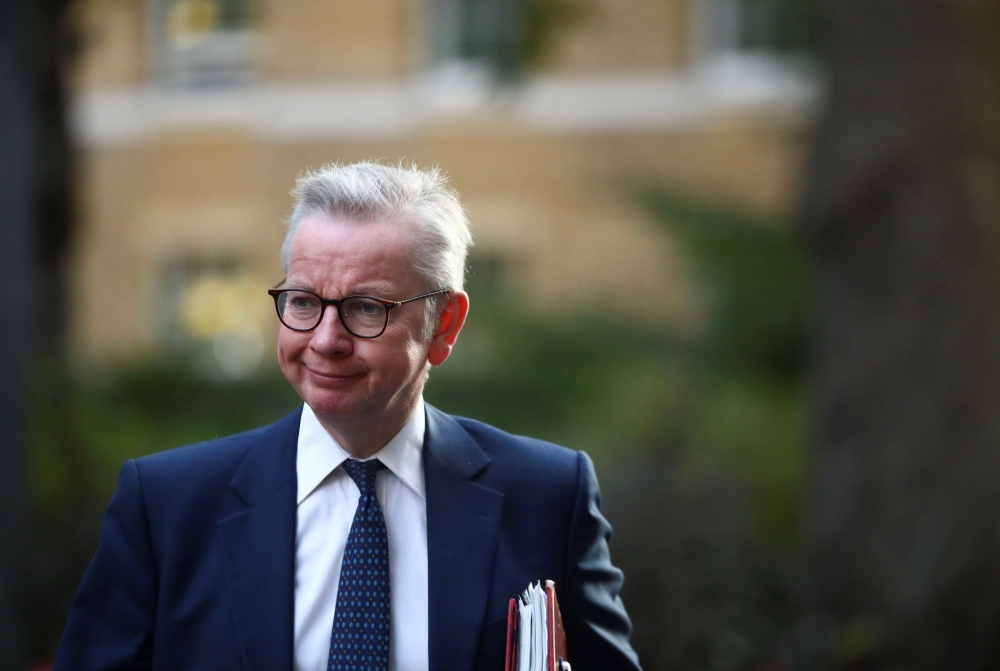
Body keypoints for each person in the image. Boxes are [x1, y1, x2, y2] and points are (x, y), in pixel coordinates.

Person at [55, 162, 642, 671]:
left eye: (366, 308)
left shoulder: (545, 496)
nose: (326, 340)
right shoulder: (166, 506)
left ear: (445, 325)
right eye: (305, 302)